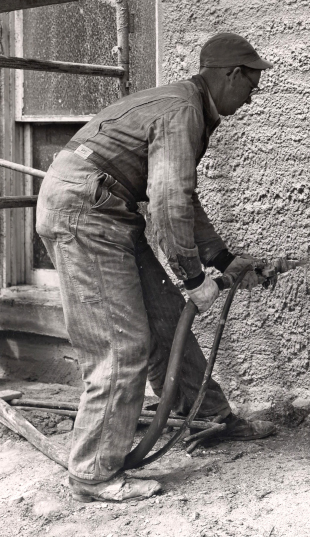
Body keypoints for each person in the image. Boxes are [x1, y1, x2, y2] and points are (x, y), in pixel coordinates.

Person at [35, 33, 274, 502]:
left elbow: (181, 197)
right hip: (85, 212)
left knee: (166, 321)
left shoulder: (186, 106)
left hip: (106, 209)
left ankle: (206, 418)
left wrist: (222, 260)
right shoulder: (182, 111)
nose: (252, 96)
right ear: (230, 75)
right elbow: (166, 205)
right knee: (121, 344)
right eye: (252, 83)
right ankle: (92, 473)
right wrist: (193, 278)